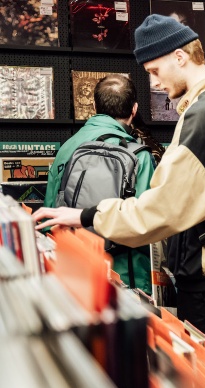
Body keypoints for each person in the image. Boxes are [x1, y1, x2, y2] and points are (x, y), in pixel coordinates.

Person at [33, 14, 205, 358]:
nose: (154, 83)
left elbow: (163, 208)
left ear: (180, 56)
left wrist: (87, 216)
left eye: (154, 71)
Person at [43, 74, 156, 295]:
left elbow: (51, 213)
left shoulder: (68, 147)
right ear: (134, 110)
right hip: (126, 275)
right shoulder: (139, 155)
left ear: (94, 106)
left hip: (75, 266)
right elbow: (147, 221)